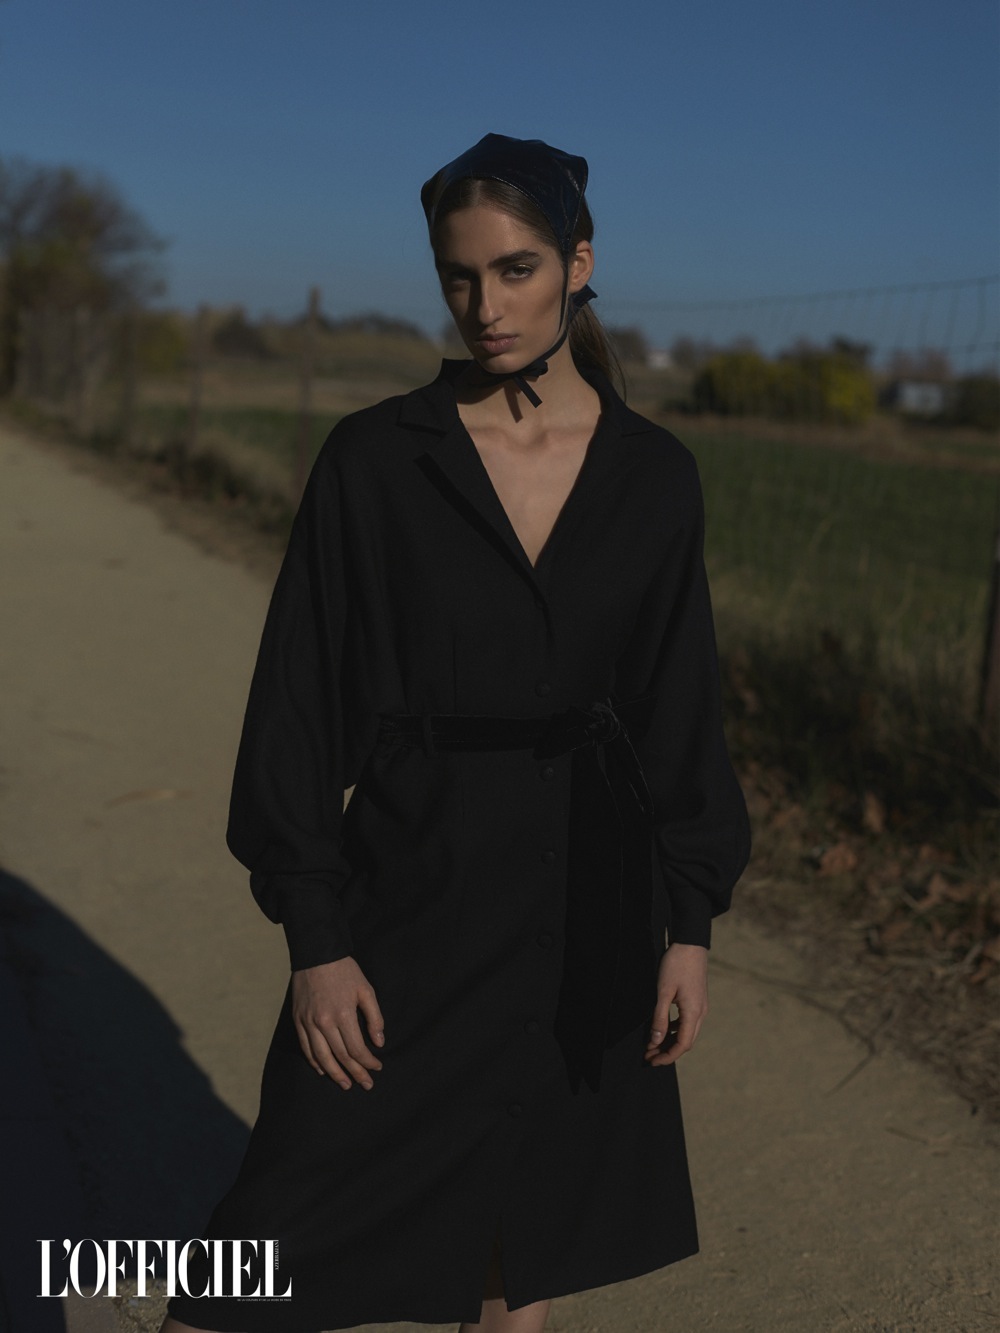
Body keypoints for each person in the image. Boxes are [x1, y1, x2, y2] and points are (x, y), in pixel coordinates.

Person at [161, 132, 751, 1333]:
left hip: (586, 909)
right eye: (459, 276)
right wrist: (316, 939)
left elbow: (680, 712)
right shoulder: (376, 460)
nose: (485, 307)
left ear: (579, 263)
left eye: (516, 270)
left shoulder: (655, 477)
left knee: (517, 1254)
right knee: (260, 1246)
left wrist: (688, 925)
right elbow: (296, 709)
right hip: (411, 897)